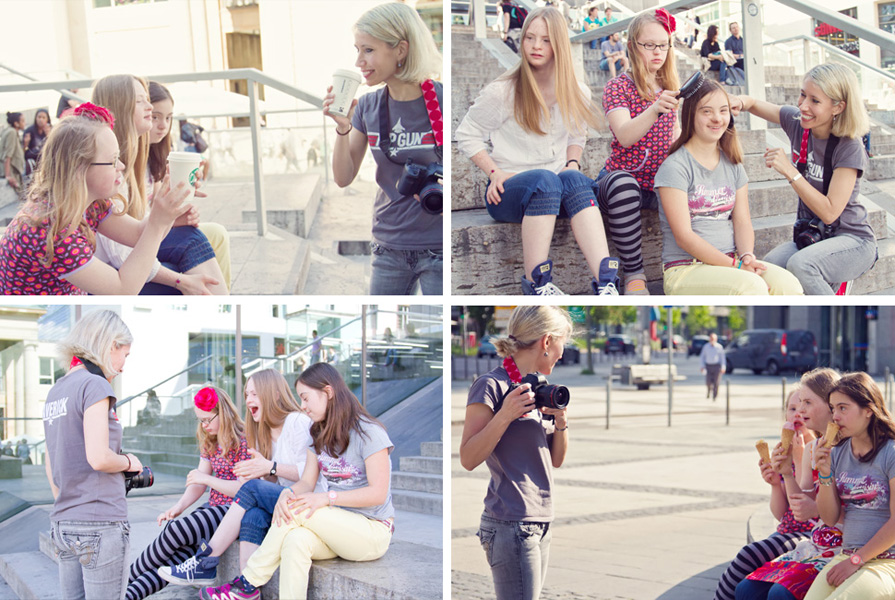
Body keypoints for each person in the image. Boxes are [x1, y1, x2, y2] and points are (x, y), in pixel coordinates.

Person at [456, 6, 619, 295]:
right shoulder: (504, 90)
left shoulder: (576, 90)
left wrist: (572, 162)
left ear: (559, 45)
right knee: (545, 179)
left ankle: (606, 283)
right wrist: (494, 172)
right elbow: (467, 133)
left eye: (545, 40)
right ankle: (537, 285)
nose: (535, 46)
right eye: (530, 38)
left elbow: (576, 133)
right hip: (509, 191)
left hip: (556, 188)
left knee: (576, 180)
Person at [198, 363, 395, 600]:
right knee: (295, 539)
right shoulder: (318, 435)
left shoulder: (369, 432)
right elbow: (306, 483)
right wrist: (286, 494)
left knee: (297, 509)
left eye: (305, 398)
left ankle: (247, 584)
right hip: (332, 527)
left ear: (328, 392)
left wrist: (325, 498)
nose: (302, 406)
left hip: (371, 530)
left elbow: (378, 494)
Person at [0, 104, 191, 295]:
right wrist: (158, 222)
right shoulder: (52, 229)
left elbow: (138, 234)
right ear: (79, 169)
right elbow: (123, 291)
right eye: (114, 160)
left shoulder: (87, 199)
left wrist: (174, 198)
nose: (122, 166)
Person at [323, 2, 443, 295]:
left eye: (368, 50)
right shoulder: (367, 105)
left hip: (439, 247)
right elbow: (342, 178)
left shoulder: (442, 99)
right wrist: (342, 127)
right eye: (357, 50)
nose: (358, 62)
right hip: (388, 246)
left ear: (400, 50)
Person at [160, 369, 318, 585]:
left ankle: (205, 563)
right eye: (246, 394)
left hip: (307, 500)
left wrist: (269, 467)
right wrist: (264, 471)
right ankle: (246, 588)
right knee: (252, 517)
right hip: (284, 502)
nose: (248, 400)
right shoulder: (263, 432)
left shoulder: (297, 422)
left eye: (254, 394)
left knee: (250, 488)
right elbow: (274, 481)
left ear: (274, 394)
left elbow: (312, 474)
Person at [731, 63, 876, 294]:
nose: (803, 105)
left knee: (802, 265)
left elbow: (830, 212)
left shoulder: (849, 146)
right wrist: (739, 101)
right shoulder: (798, 122)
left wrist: (791, 171)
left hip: (853, 240)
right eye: (802, 95)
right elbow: (755, 104)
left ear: (837, 107)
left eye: (815, 101)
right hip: (814, 236)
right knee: (769, 269)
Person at [460, 306, 571, 600]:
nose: (563, 351)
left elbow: (555, 460)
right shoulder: (491, 385)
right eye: (562, 341)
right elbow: (468, 458)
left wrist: (561, 422)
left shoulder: (536, 387)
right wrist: (505, 414)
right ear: (547, 341)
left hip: (541, 518)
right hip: (511, 523)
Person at [654, 77, 803, 295]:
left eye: (723, 111)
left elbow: (742, 221)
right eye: (706, 111)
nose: (717, 119)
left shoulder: (733, 164)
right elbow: (684, 236)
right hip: (686, 268)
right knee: (750, 287)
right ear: (690, 116)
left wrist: (747, 257)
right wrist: (738, 267)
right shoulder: (675, 167)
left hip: (732, 262)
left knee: (787, 284)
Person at [91, 74, 227, 296]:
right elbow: (123, 253)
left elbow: (137, 230)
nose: (148, 106)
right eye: (140, 101)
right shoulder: (105, 168)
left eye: (168, 117)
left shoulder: (138, 159)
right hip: (103, 278)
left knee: (195, 236)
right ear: (118, 107)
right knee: (191, 248)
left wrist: (174, 214)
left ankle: (223, 304)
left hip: (122, 262)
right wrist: (180, 281)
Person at [42, 310, 143, 599]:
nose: (124, 365)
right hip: (99, 522)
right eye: (125, 354)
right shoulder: (95, 385)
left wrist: (67, 501)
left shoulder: (56, 391)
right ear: (111, 344)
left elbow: (51, 459)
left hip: (63, 523)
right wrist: (129, 462)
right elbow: (99, 457)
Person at [126, 387, 251, 600]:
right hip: (214, 511)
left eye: (207, 420)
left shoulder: (244, 439)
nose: (203, 425)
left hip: (236, 511)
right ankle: (124, 594)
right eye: (200, 420)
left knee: (175, 531)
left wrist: (208, 479)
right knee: (177, 559)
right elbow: (198, 483)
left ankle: (123, 581)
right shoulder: (211, 438)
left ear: (223, 412)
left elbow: (244, 489)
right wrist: (178, 507)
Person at [732, 368, 843, 600]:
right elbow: (799, 511)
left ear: (830, 404)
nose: (800, 411)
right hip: (816, 542)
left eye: (807, 403)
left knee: (779, 593)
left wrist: (816, 508)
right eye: (796, 405)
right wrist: (784, 475)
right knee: (744, 589)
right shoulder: (812, 448)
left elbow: (865, 509)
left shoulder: (847, 448)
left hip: (840, 546)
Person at [595, 8, 681, 295]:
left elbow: (676, 140)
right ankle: (634, 274)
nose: (658, 52)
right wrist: (655, 108)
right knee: (623, 184)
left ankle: (687, 265)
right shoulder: (618, 87)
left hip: (655, 185)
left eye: (663, 45)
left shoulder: (670, 87)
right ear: (632, 46)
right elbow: (625, 134)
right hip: (620, 182)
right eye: (649, 45)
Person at [714, 387, 818, 600]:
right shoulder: (784, 450)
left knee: (749, 554)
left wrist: (798, 462)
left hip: (808, 534)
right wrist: (774, 484)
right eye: (792, 408)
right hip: (786, 531)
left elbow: (804, 510)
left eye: (805, 405)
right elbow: (781, 514)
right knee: (747, 583)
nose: (798, 412)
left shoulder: (819, 451)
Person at [804, 372, 895, 599]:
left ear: (868, 410)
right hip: (847, 556)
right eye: (833, 408)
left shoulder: (890, 453)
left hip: (886, 561)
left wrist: (858, 559)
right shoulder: (838, 453)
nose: (835, 416)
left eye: (843, 408)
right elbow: (830, 518)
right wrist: (825, 475)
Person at [148, 81, 232, 291]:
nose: (163, 125)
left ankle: (223, 295)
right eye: (155, 117)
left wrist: (183, 196)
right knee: (196, 237)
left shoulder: (156, 156)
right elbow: (140, 220)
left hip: (152, 229)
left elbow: (159, 205)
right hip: (139, 236)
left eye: (168, 118)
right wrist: (172, 219)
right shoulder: (124, 159)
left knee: (217, 233)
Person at [23, 108, 51, 180]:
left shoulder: (50, 130)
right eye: (39, 117)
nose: (41, 119)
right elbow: (25, 152)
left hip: (45, 158)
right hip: (33, 158)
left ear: (47, 119)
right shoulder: (29, 130)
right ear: (36, 118)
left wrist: (49, 136)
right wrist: (26, 143)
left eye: (43, 117)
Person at [1, 112, 25, 195]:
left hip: (14, 171)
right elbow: (8, 155)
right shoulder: (12, 132)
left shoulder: (10, 131)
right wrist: (8, 176)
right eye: (22, 121)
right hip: (11, 171)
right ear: (16, 123)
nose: (24, 123)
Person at [699, 333, 726, 400]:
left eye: (713, 338)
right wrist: (702, 366)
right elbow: (702, 357)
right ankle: (709, 390)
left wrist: (723, 367)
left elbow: (722, 358)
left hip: (716, 366)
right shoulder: (706, 346)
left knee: (716, 382)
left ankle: (715, 395)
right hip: (708, 366)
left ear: (716, 339)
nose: (712, 340)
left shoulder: (719, 347)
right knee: (708, 381)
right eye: (711, 338)